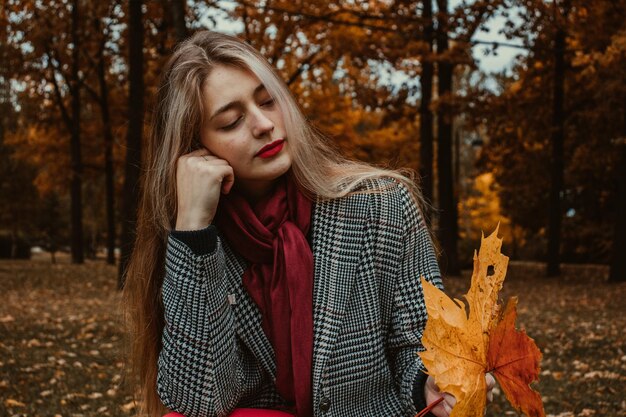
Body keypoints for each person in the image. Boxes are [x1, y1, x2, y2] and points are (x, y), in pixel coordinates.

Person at [122, 30, 494, 417]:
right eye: (231, 121)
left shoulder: (381, 204)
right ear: (193, 147)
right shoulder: (193, 238)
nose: (264, 124)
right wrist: (195, 231)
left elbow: (418, 339)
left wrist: (431, 381)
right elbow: (196, 402)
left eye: (268, 101)